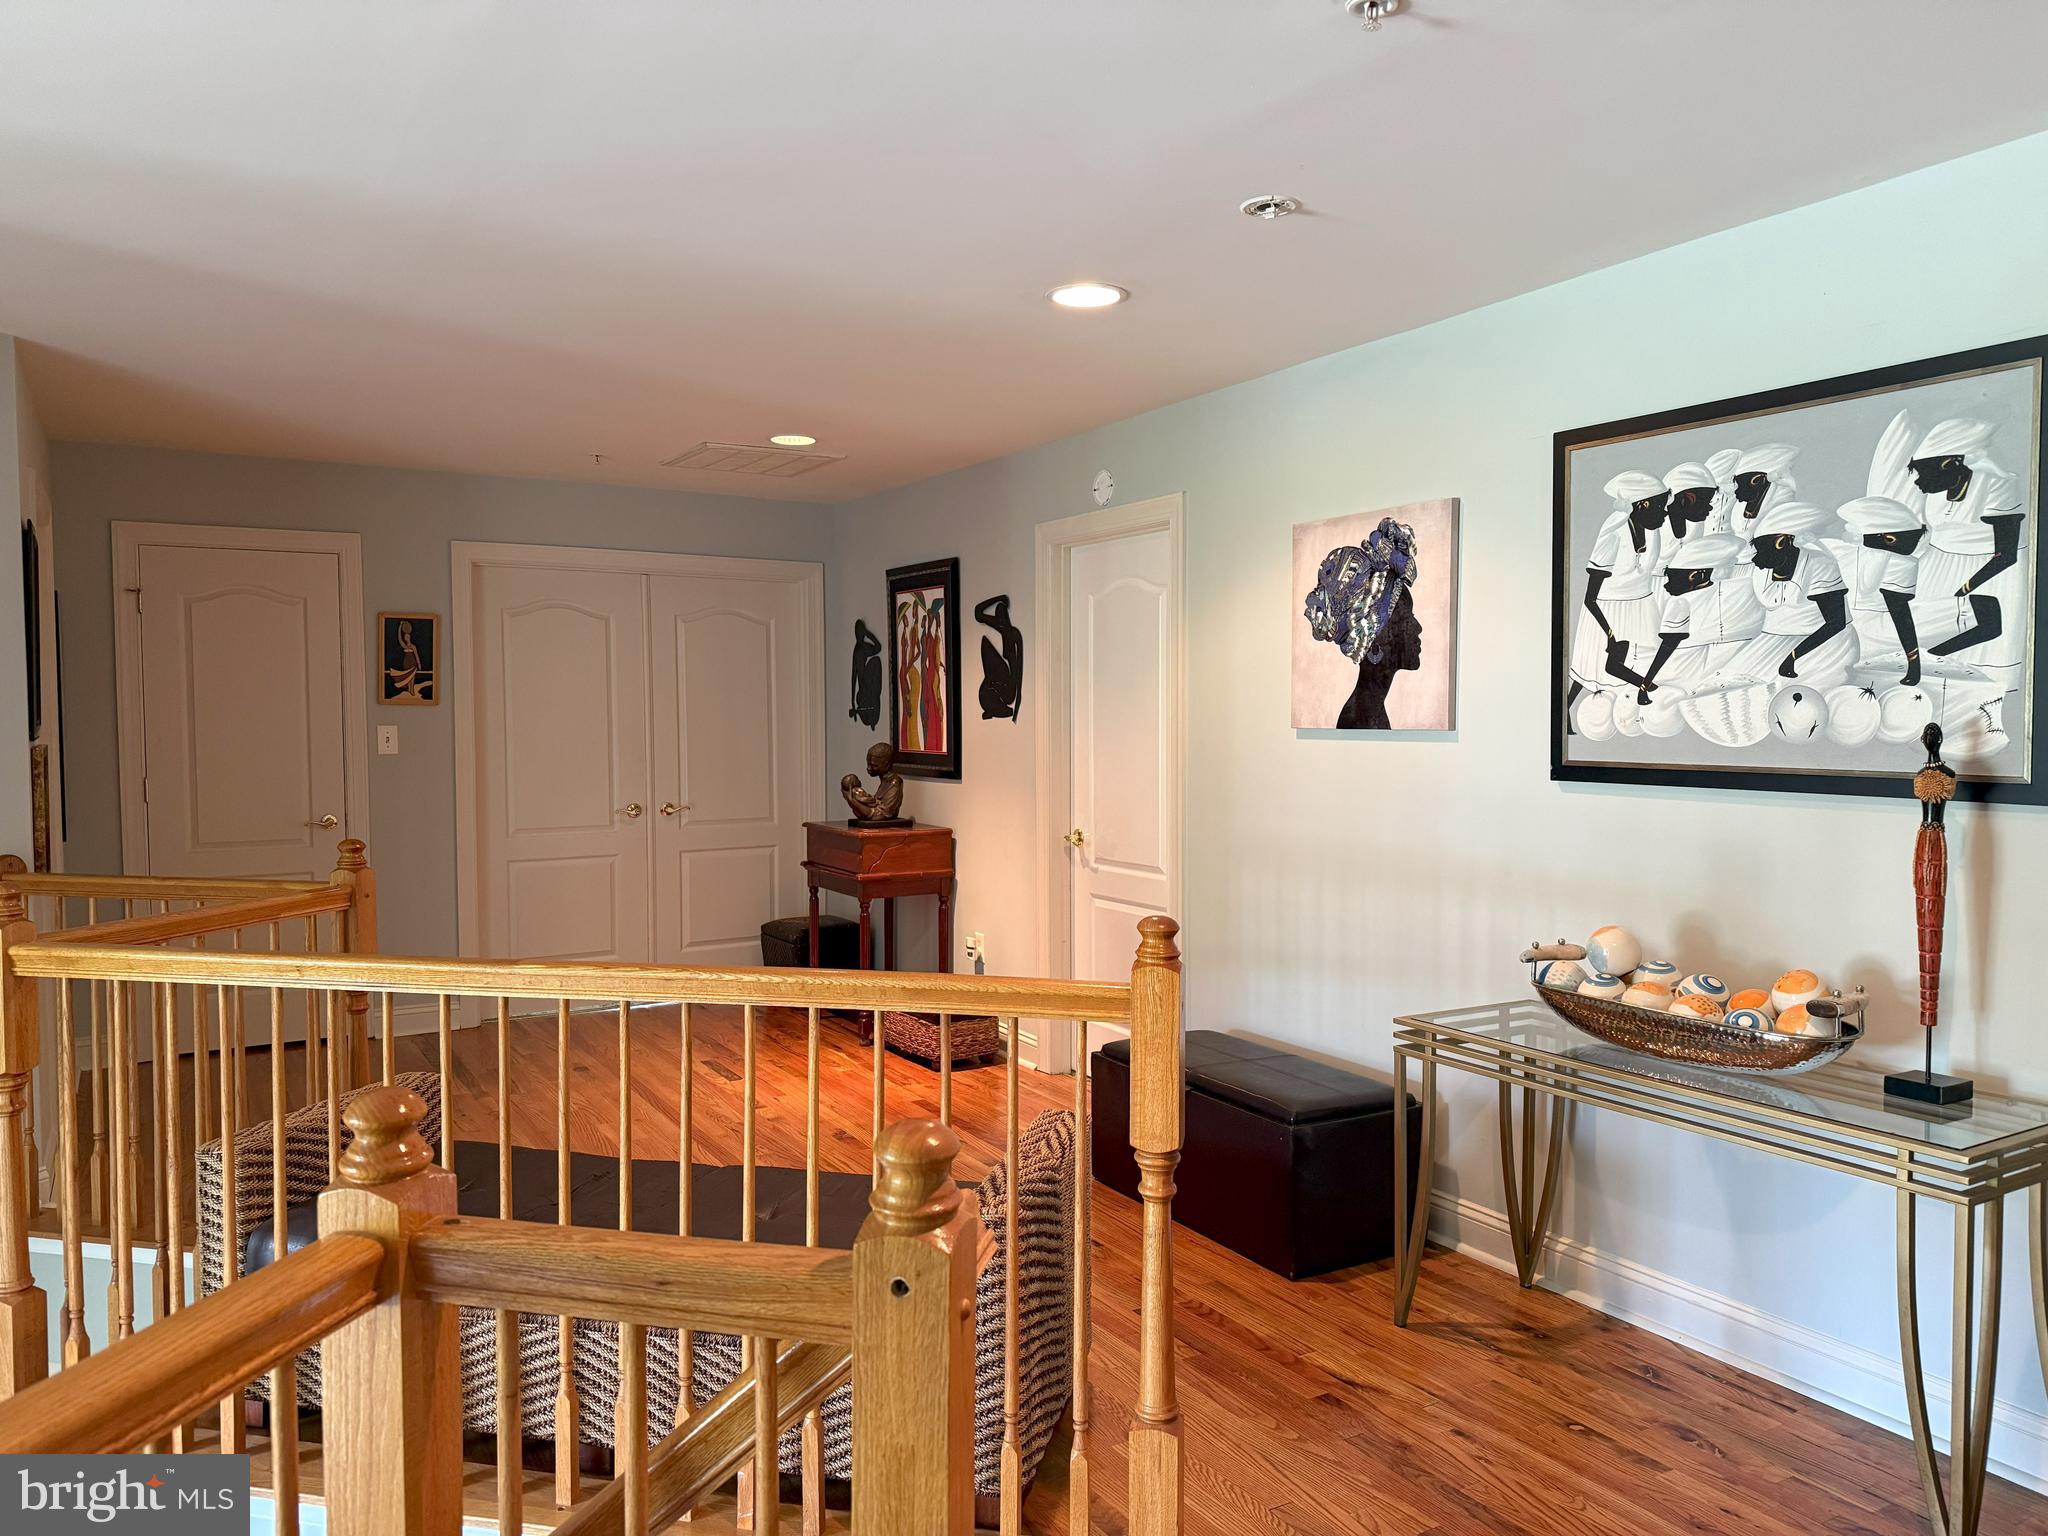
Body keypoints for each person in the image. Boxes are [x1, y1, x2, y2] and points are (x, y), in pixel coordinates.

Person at [1905, 418, 2028, 667]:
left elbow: (2006, 555)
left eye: (1923, 472)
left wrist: (1964, 589)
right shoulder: (1935, 493)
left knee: (1974, 645)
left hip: (1988, 575)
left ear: (1949, 463)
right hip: (1938, 570)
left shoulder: (1997, 484)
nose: (1917, 481)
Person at [1718, 500, 1859, 687]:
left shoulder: (1820, 565)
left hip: (1822, 644)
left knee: (1783, 689)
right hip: (1772, 641)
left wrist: (1794, 656)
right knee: (1729, 682)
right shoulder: (1761, 570)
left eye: (1762, 548)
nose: (1756, 557)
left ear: (1781, 542)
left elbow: (1836, 623)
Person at [1302, 515, 1422, 730]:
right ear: (1374, 645)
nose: (1417, 628)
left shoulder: (1371, 712)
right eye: (1406, 620)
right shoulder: (1363, 717)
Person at [1567, 471, 1671, 711]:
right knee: (1592, 668)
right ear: (1642, 505)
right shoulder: (1614, 533)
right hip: (1608, 611)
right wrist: (1610, 632)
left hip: (1641, 606)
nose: (1665, 513)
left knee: (1648, 660)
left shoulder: (1653, 531)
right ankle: (1566, 711)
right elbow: (1590, 599)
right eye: (1660, 507)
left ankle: (1642, 695)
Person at [1631, 533, 1758, 697]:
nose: (1667, 585)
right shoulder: (1741, 588)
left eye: (1673, 578)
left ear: (1698, 576)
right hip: (1728, 661)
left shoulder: (1679, 603)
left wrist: (1645, 684)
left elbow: (1669, 645)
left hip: (1688, 665)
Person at [1825, 495, 1926, 685]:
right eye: (1914, 539)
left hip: (1844, 636)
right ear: (1890, 538)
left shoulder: (1839, 550)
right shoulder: (1900, 562)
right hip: (1879, 634)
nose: (1917, 544)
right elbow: (1900, 614)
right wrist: (1913, 663)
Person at [1728, 443, 1800, 528]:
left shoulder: (1782, 505)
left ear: (1756, 480)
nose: (1735, 490)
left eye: (1738, 483)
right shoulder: (1738, 511)